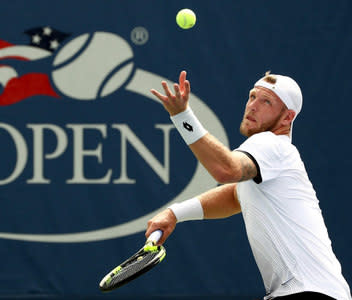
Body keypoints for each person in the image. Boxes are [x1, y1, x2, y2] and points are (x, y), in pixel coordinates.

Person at [146, 71, 351, 299]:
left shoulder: (271, 144)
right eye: (252, 96)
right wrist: (174, 213)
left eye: (266, 102)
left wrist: (182, 116)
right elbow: (235, 196)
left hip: (309, 291)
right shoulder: (272, 163)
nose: (253, 106)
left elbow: (227, 171)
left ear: (287, 118)